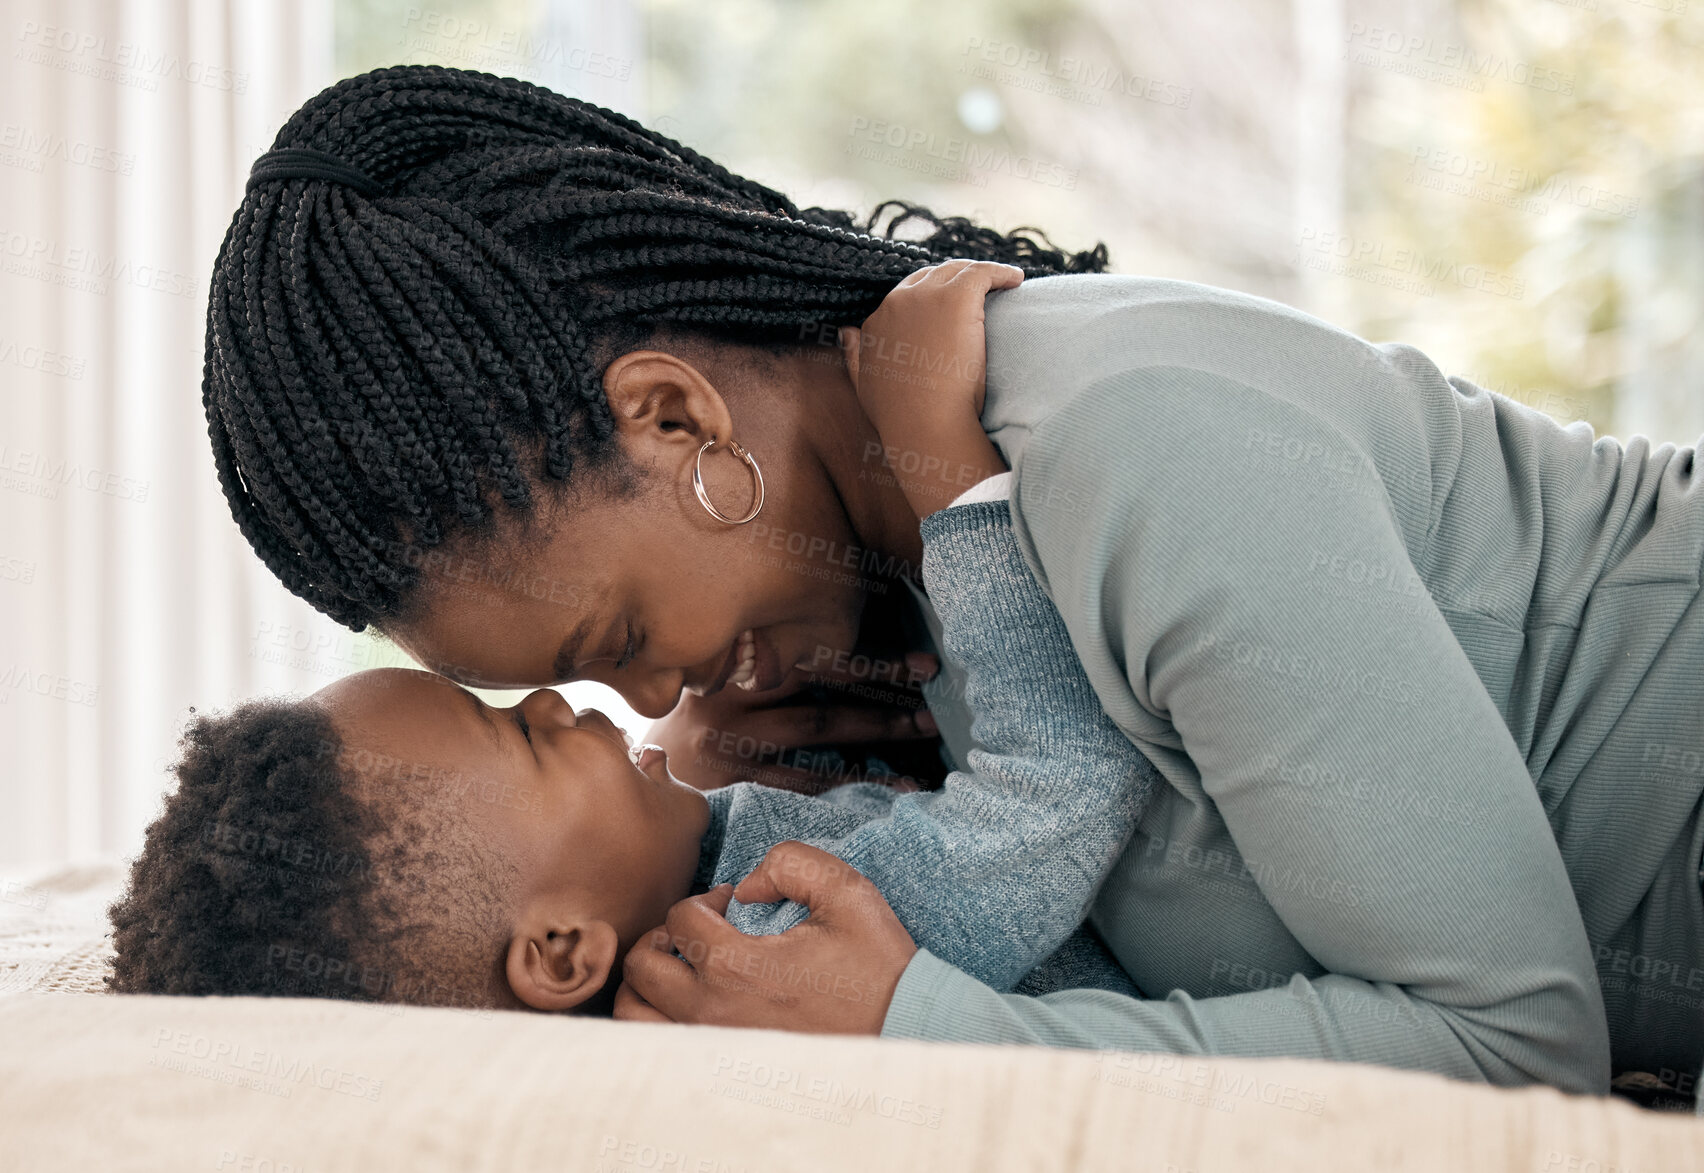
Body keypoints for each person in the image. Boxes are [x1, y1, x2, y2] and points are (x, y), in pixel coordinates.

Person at [205, 64, 1703, 1096]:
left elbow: (1517, 1041)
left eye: (623, 638)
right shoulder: (879, 627)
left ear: (675, 420)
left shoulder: (1132, 448)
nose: (650, 708)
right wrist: (725, 801)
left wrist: (916, 1027)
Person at [106, 482, 1159, 1010]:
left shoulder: (700, 877)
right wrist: (963, 505)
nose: (562, 706)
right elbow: (1060, 791)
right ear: (563, 951)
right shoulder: (769, 946)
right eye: (518, 734)